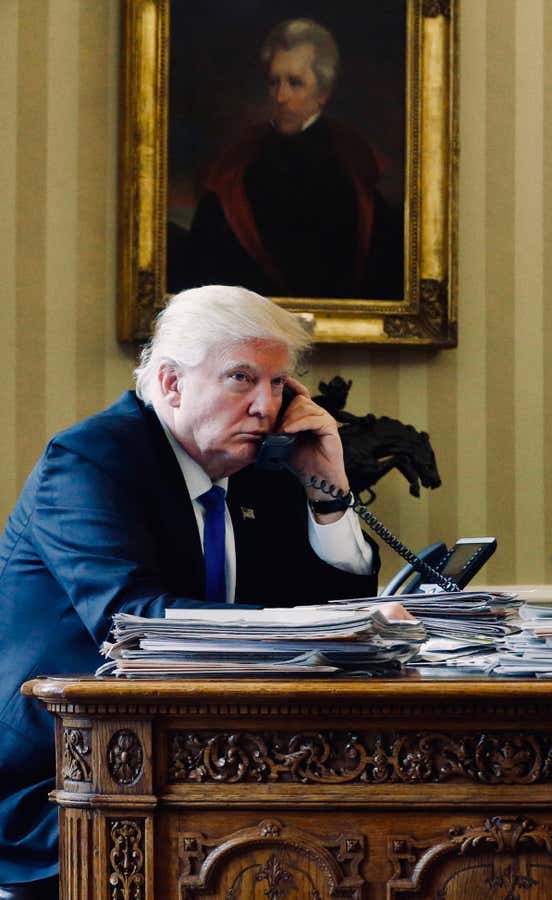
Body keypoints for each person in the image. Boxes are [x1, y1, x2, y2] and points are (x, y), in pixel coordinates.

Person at [0, 286, 381, 897]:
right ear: (172, 384)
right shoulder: (93, 459)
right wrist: (293, 630)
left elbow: (335, 612)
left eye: (280, 384)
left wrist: (327, 490)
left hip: (205, 764)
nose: (266, 405)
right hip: (61, 781)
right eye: (241, 379)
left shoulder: (263, 471)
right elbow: (134, 623)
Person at [179, 18, 403, 299]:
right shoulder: (238, 163)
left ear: (322, 93)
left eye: (295, 83)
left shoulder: (353, 162)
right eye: (274, 83)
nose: (281, 96)